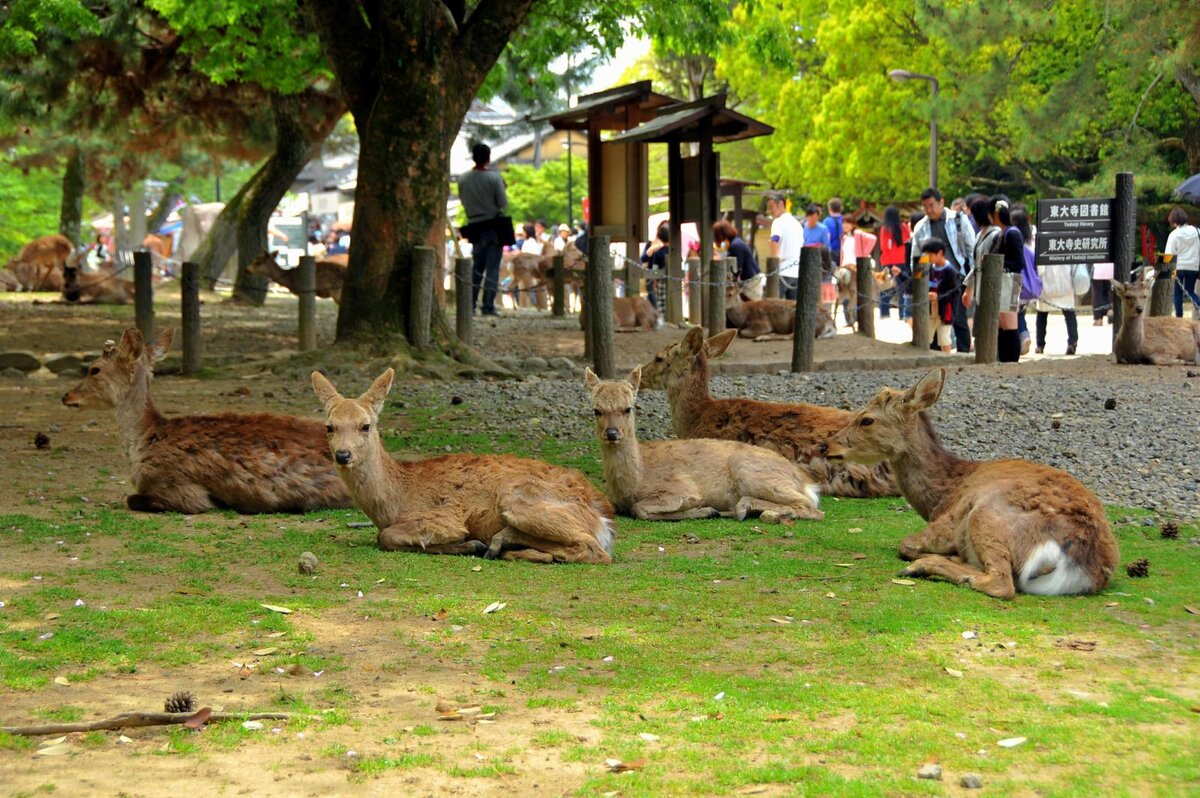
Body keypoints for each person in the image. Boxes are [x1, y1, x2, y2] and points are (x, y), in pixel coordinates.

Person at [910, 188, 976, 351]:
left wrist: (972, 282)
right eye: (925, 206)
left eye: (931, 205)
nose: (929, 210)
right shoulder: (921, 227)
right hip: (932, 282)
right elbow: (916, 257)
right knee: (934, 320)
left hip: (957, 277)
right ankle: (933, 353)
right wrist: (919, 282)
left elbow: (972, 250)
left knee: (959, 319)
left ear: (941, 202)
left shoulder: (959, 220)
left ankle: (963, 353)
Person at [963, 197, 1024, 362]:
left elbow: (1019, 262)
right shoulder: (1003, 233)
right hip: (1000, 283)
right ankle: (1004, 360)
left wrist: (996, 264)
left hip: (1008, 283)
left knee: (1009, 326)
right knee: (1002, 326)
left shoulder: (1010, 233)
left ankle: (1011, 361)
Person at [458, 142, 508, 316]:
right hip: (494, 225)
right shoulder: (494, 178)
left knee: (477, 267)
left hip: (474, 225)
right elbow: (502, 203)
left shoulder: (463, 179)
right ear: (488, 158)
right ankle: (488, 306)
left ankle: (470, 304)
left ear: (473, 157)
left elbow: (463, 202)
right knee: (492, 268)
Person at [922, 238, 959, 353]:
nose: (927, 257)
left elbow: (954, 292)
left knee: (944, 339)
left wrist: (938, 296)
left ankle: (947, 363)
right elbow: (917, 282)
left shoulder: (951, 271)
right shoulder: (928, 268)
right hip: (931, 310)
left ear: (940, 253)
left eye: (930, 254)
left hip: (944, 312)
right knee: (925, 337)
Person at [1165, 207, 1200, 319]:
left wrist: (1165, 270)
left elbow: (1169, 254)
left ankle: (1179, 317)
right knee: (1190, 290)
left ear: (1174, 221)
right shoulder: (1197, 231)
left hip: (1178, 267)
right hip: (1194, 266)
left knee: (1177, 293)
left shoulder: (1174, 235)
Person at [767, 193, 803, 300]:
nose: (770, 211)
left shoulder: (778, 222)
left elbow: (774, 240)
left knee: (774, 307)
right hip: (796, 272)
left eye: (771, 207)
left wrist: (774, 261)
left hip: (781, 271)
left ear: (781, 204)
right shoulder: (797, 224)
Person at [714, 219, 763, 299]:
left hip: (750, 283)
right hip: (750, 281)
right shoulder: (736, 242)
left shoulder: (735, 246)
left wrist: (719, 260)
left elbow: (735, 268)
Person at [878, 205, 910, 319]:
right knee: (902, 288)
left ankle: (884, 312)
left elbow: (883, 247)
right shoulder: (904, 227)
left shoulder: (884, 229)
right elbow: (907, 242)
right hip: (901, 260)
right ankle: (902, 314)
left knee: (885, 287)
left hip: (887, 261)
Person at [641, 222, 670, 311]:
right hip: (651, 278)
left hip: (661, 278)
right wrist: (653, 249)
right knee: (654, 301)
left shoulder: (670, 248)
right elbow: (643, 258)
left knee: (662, 302)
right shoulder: (651, 244)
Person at [822, 197, 844, 265]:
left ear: (830, 209)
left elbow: (826, 238)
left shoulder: (827, 221)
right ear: (841, 208)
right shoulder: (845, 220)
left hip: (831, 252)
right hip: (843, 252)